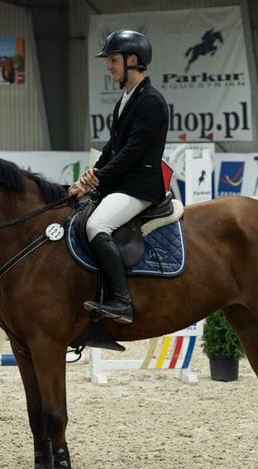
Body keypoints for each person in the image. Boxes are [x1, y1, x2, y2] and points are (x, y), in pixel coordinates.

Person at [69, 30, 169, 324]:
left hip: (140, 187)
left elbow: (131, 154)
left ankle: (122, 302)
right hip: (122, 183)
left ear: (132, 60)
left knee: (97, 226)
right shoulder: (125, 99)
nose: (109, 66)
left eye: (113, 60)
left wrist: (95, 181)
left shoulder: (150, 101)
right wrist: (92, 174)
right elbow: (113, 148)